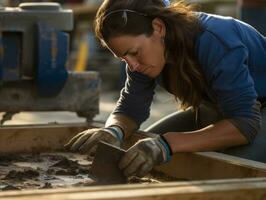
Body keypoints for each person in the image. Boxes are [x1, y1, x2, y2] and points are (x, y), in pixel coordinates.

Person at [65, 0, 266, 178]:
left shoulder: (215, 40)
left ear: (158, 27)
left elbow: (244, 124)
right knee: (129, 158)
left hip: (252, 115)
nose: (132, 66)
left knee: (224, 176)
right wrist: (114, 130)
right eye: (124, 59)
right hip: (217, 109)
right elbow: (130, 109)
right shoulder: (144, 56)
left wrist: (167, 144)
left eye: (134, 53)